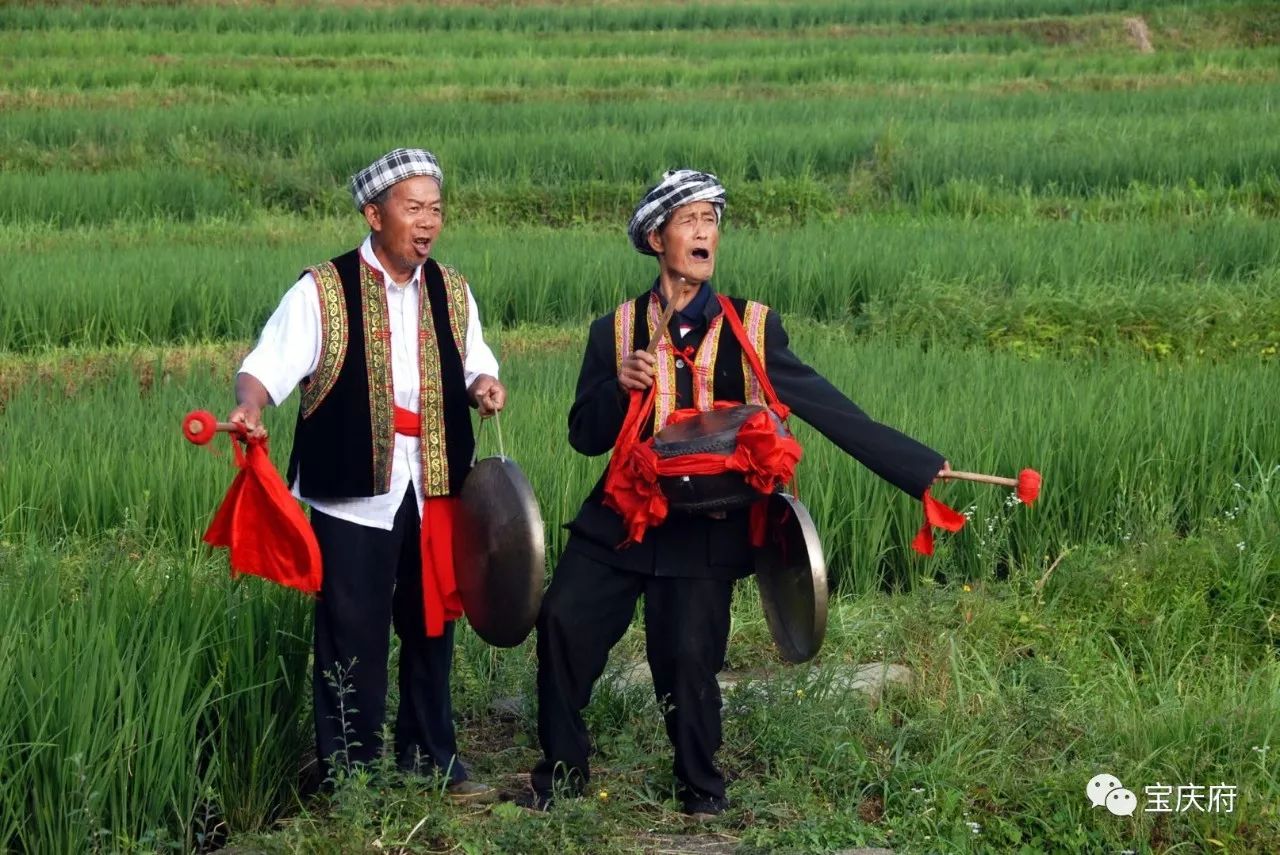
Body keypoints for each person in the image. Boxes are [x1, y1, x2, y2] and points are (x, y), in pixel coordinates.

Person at [525, 169, 949, 818]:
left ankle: (701, 790)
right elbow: (584, 435)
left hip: (708, 522)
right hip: (625, 517)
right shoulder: (613, 331)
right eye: (690, 220)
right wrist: (619, 383)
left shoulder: (751, 327)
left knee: (688, 659)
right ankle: (560, 777)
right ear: (655, 236)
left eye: (712, 220)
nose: (705, 232)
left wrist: (919, 469)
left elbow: (827, 407)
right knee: (561, 620)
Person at [229, 148, 505, 801]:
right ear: (374, 213)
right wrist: (247, 405)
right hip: (353, 490)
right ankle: (349, 777)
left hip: (434, 482)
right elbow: (265, 368)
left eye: (436, 208)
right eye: (414, 208)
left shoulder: (452, 288)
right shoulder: (322, 290)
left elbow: (473, 363)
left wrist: (485, 383)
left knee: (431, 622)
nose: (428, 221)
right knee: (351, 635)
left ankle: (431, 757)